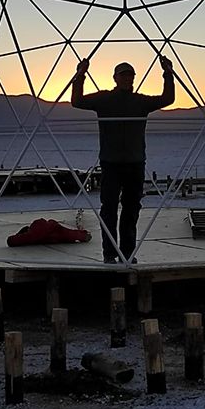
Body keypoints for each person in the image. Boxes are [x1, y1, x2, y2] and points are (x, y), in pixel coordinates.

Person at [71, 55, 175, 264]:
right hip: (111, 163)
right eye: (124, 75)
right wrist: (80, 75)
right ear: (115, 78)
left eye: (130, 76)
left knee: (131, 210)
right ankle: (109, 253)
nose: (128, 79)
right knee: (109, 209)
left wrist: (168, 74)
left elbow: (167, 99)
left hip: (135, 163)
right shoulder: (104, 99)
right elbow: (77, 101)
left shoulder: (140, 102)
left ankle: (127, 253)